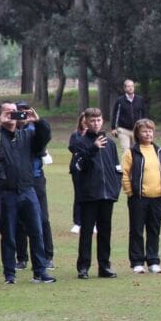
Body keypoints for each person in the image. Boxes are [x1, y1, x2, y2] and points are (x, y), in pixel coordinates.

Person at [0, 102, 55, 284]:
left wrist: (38, 122)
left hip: (28, 190)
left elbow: (43, 139)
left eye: (15, 112)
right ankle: (10, 274)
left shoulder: (27, 135)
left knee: (36, 231)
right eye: (8, 112)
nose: (12, 115)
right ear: (1, 115)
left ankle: (40, 271)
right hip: (7, 192)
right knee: (9, 234)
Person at [67, 108, 121, 279]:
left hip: (107, 195)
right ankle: (83, 267)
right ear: (86, 122)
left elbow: (116, 168)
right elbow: (77, 167)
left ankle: (104, 266)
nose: (96, 123)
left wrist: (115, 188)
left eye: (98, 120)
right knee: (87, 231)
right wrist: (93, 149)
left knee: (105, 232)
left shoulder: (110, 144)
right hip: (89, 195)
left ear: (102, 121)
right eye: (92, 121)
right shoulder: (80, 143)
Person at [121, 118, 161, 274]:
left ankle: (153, 261)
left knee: (154, 229)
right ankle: (137, 262)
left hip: (157, 198)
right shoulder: (131, 152)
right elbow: (124, 173)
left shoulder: (159, 151)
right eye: (144, 131)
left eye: (150, 130)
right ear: (137, 133)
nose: (148, 133)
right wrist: (131, 192)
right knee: (136, 230)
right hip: (138, 198)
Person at [14, 105, 55, 271]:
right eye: (19, 112)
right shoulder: (10, 133)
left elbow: (45, 137)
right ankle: (22, 257)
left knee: (42, 219)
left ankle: (47, 256)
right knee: (20, 221)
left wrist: (38, 121)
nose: (22, 116)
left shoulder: (34, 132)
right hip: (18, 181)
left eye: (25, 112)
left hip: (36, 178)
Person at [111, 79, 147, 152]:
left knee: (136, 151)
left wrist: (144, 126)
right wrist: (113, 128)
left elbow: (143, 114)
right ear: (125, 88)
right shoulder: (120, 101)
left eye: (132, 86)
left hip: (136, 130)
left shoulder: (139, 100)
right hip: (123, 130)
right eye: (128, 86)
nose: (130, 88)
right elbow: (115, 114)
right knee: (126, 151)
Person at [69, 110, 87, 234]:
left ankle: (92, 222)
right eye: (84, 120)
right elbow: (73, 148)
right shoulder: (76, 135)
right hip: (77, 169)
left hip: (92, 170)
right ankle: (77, 222)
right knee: (79, 195)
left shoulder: (97, 136)